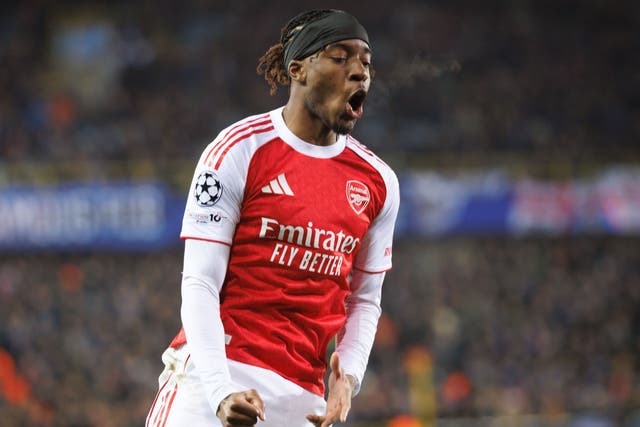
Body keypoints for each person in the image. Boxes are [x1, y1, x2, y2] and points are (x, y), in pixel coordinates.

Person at [146, 9, 399, 427]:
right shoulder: (238, 150)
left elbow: (365, 298)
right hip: (215, 378)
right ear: (297, 70)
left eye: (366, 63)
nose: (359, 72)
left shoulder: (378, 181)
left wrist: (348, 376)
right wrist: (219, 390)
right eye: (340, 57)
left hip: (303, 401)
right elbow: (200, 282)